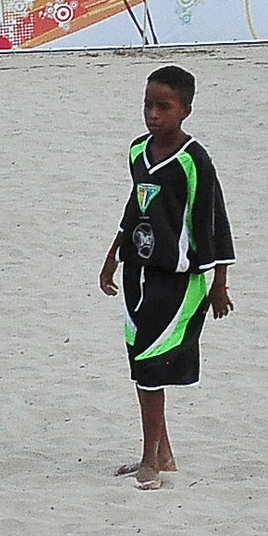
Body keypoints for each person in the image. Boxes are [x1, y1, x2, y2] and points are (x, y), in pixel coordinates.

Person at [98, 66, 235, 490]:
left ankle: (149, 462)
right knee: (140, 361)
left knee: (151, 366)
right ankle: (164, 452)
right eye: (148, 105)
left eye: (164, 106)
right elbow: (134, 207)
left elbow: (214, 220)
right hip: (139, 272)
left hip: (180, 280)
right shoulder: (138, 151)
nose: (153, 115)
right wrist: (113, 257)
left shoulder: (195, 161)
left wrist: (219, 283)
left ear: (186, 111)